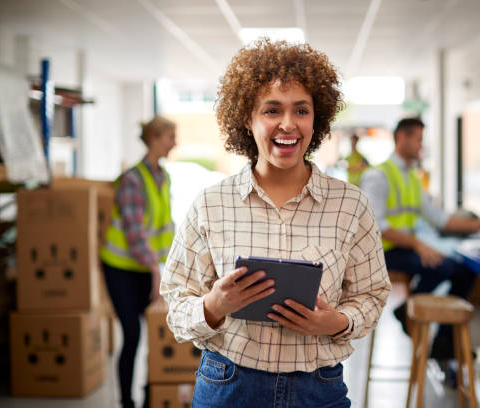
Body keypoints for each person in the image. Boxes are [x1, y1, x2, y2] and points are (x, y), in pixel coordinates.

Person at [160, 39, 390, 408]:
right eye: (272, 110)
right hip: (229, 386)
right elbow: (176, 302)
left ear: (317, 118)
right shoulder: (210, 204)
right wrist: (213, 305)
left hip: (319, 389)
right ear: (247, 121)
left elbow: (373, 295)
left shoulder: (351, 205)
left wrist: (336, 322)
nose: (288, 124)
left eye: (301, 110)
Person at [360, 117, 480, 362]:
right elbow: (377, 226)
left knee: (464, 270)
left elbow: (439, 219)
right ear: (402, 137)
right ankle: (408, 313)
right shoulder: (378, 176)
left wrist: (479, 225)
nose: (422, 145)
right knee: (445, 267)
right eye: (419, 139)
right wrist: (420, 245)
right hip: (382, 253)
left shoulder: (411, 176)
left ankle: (440, 339)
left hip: (404, 248)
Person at [100, 116, 176, 408]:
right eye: (170, 136)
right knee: (132, 335)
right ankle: (126, 401)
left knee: (158, 332)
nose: (174, 143)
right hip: (121, 269)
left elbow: (165, 226)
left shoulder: (164, 177)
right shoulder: (132, 180)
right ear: (155, 139)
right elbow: (135, 233)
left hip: (148, 269)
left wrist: (169, 267)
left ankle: (152, 394)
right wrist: (156, 271)